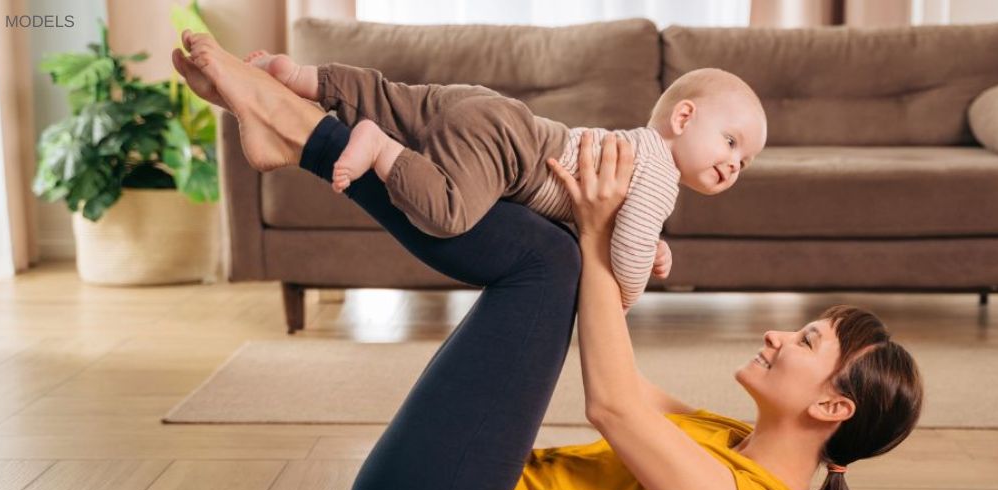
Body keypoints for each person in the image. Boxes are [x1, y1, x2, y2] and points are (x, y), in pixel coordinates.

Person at [171, 30, 923, 490]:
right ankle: (301, 126)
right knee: (550, 253)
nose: (776, 336)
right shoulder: (728, 441)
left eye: (805, 343)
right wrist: (599, 231)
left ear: (832, 406)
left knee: (555, 263)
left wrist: (601, 237)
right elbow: (623, 376)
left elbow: (612, 405)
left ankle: (301, 124)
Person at [220, 50, 765, 311]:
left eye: (744, 164)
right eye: (732, 142)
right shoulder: (661, 178)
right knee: (447, 212)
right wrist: (632, 285)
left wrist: (653, 245)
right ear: (684, 118)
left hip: (498, 112)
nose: (734, 166)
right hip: (512, 150)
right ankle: (379, 147)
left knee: (399, 100)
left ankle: (304, 79)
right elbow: (622, 259)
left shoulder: (638, 155)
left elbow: (622, 222)